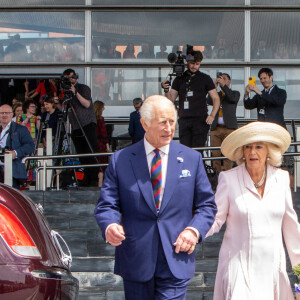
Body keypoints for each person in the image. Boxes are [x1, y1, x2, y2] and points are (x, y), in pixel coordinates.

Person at [94, 95, 217, 300]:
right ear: (144, 123)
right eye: (162, 122)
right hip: (136, 258)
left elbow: (207, 205)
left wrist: (193, 231)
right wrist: (110, 225)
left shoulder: (191, 159)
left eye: (172, 122)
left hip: (176, 256)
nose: (169, 129)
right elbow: (107, 205)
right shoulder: (121, 160)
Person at [206, 121, 300, 300]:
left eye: (258, 147)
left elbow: (291, 228)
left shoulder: (281, 179)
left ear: (269, 151)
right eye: (247, 147)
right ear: (242, 151)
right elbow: (214, 219)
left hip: (273, 270)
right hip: (239, 267)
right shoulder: (228, 178)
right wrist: (193, 231)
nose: (252, 152)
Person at [162, 50, 220, 147]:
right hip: (184, 119)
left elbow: (216, 98)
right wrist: (166, 90)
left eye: (197, 64)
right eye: (192, 63)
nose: (194, 66)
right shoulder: (179, 78)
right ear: (187, 63)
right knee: (185, 150)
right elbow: (170, 99)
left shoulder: (205, 78)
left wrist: (212, 115)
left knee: (198, 150)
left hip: (200, 120)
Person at [62, 68, 98, 187]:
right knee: (81, 153)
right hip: (75, 126)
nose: (70, 80)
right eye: (67, 78)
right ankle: (86, 179)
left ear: (76, 78)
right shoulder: (65, 91)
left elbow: (87, 104)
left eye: (72, 77)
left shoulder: (83, 88)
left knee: (90, 152)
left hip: (87, 123)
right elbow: (64, 109)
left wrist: (75, 92)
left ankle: (93, 179)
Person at [207, 73, 240, 172]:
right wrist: (213, 87)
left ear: (229, 81)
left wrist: (224, 86)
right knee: (215, 154)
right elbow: (208, 100)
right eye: (220, 78)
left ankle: (228, 176)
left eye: (224, 79)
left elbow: (232, 98)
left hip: (229, 128)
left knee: (228, 154)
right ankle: (216, 177)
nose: (222, 80)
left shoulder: (235, 93)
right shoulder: (216, 95)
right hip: (216, 128)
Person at [0, 104, 35, 189]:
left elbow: (30, 146)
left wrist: (15, 153)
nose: (4, 115)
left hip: (13, 171)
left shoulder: (20, 129)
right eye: (2, 113)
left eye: (7, 113)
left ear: (12, 114)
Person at [94, 100, 110, 187]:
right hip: (101, 145)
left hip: (93, 144)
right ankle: (100, 184)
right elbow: (104, 134)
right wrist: (107, 145)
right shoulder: (100, 119)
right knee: (102, 165)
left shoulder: (91, 119)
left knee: (96, 164)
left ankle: (97, 183)